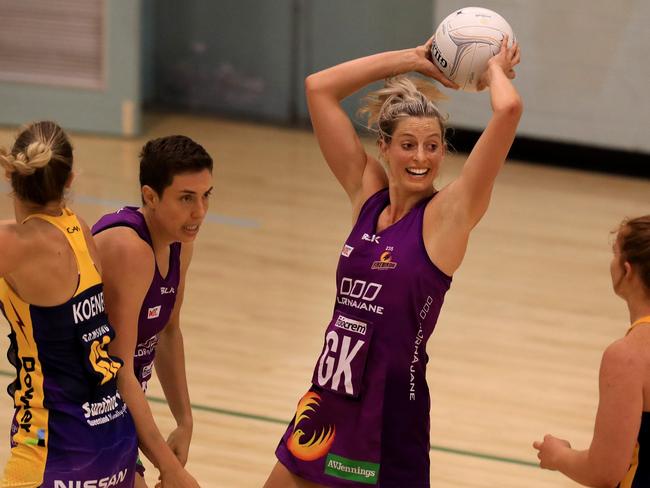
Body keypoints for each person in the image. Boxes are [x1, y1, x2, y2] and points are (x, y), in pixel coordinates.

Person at [264, 34, 522, 487]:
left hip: (389, 415)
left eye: (432, 146)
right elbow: (319, 87)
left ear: (444, 151)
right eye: (407, 145)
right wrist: (415, 59)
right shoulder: (367, 194)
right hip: (328, 397)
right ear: (383, 147)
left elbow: (508, 111)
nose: (421, 158)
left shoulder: (448, 215)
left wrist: (494, 70)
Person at [0, 121, 137, 487]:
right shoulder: (81, 230)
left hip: (54, 447)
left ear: (11, 176)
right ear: (70, 179)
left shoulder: (14, 243)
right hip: (115, 439)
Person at [92, 135, 213, 487]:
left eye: (206, 196)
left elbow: (168, 332)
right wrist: (170, 468)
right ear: (150, 196)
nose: (200, 212)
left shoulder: (179, 242)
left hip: (116, 415)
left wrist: (185, 421)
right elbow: (119, 371)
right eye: (186, 198)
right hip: (79, 417)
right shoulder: (128, 249)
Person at [534, 216, 650, 488]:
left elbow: (604, 471)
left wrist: (558, 455)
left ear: (627, 270)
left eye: (615, 252)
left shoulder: (628, 357)